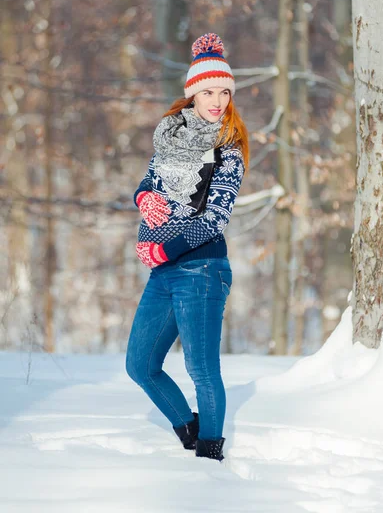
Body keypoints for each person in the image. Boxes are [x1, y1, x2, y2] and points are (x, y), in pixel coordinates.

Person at [126, 33, 249, 462]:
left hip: (202, 269)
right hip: (164, 273)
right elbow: (148, 181)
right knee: (140, 365)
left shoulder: (228, 150)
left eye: (224, 92)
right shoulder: (171, 138)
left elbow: (215, 219)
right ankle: (190, 429)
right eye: (209, 91)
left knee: (201, 370)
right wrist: (146, 199)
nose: (217, 100)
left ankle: (210, 454)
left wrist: (167, 248)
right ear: (193, 93)